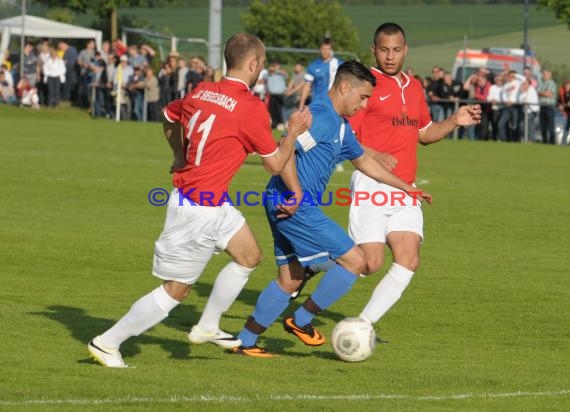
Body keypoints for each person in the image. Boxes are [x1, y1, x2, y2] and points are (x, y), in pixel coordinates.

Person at [87, 32, 312, 368]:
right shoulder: (250, 107)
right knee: (176, 290)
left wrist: (179, 155)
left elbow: (167, 115)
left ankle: (208, 325)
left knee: (249, 256)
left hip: (212, 201)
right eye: (262, 64)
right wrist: (292, 132)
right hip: (196, 207)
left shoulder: (204, 89)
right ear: (253, 63)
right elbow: (276, 164)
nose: (262, 70)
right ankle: (108, 342)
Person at [231, 61, 432, 357]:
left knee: (290, 279)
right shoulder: (322, 117)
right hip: (295, 204)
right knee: (356, 261)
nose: (364, 105)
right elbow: (281, 150)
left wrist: (406, 187)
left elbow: (363, 161)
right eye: (363, 97)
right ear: (345, 87)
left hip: (283, 201)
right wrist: (296, 192)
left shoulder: (340, 126)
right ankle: (301, 321)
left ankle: (245, 341)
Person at [344, 23, 480, 333]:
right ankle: (314, 264)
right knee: (369, 263)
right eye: (383, 50)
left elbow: (425, 134)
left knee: (409, 259)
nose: (390, 56)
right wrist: (373, 154)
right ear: (373, 50)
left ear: (405, 50)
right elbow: (345, 136)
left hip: (406, 187)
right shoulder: (365, 85)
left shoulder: (415, 86)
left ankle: (362, 326)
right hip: (372, 183)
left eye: (396, 50)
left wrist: (454, 120)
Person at [298, 38, 343, 109]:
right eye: (323, 48)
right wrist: (301, 106)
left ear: (331, 50)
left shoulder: (339, 64)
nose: (325, 51)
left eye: (328, 49)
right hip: (317, 105)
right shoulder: (313, 66)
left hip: (334, 106)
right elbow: (307, 86)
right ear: (319, 49)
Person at [537, 69, 557, 144]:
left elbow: (549, 94)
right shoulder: (541, 83)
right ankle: (544, 141)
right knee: (543, 126)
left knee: (551, 126)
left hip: (550, 107)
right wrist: (543, 93)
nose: (543, 76)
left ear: (549, 75)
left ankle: (552, 142)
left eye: (545, 75)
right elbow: (538, 92)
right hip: (542, 106)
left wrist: (541, 93)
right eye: (543, 74)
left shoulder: (552, 83)